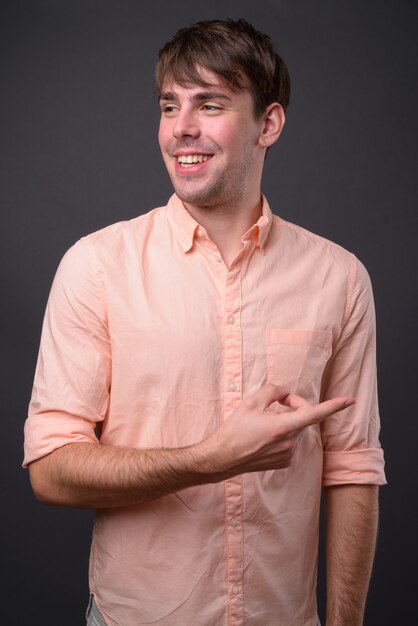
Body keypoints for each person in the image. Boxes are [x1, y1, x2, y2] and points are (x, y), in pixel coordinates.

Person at [23, 18, 386, 626]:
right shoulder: (95, 267)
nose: (181, 129)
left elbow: (352, 468)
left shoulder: (341, 279)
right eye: (170, 106)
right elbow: (52, 469)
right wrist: (210, 458)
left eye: (210, 104)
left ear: (267, 123)